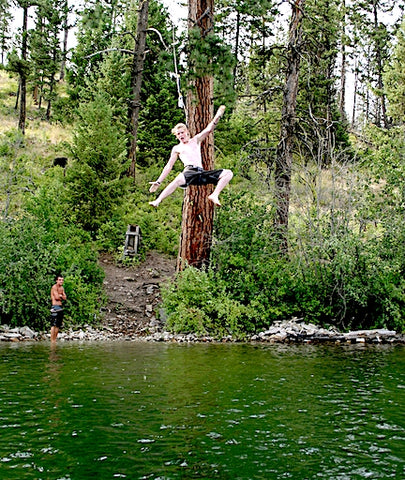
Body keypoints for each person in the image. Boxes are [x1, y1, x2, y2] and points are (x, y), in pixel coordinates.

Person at [149, 105, 233, 207]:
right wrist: (158, 181)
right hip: (189, 171)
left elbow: (208, 129)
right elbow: (168, 166)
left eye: (182, 133)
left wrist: (218, 115)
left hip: (201, 173)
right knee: (177, 180)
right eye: (178, 134)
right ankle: (158, 200)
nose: (181, 135)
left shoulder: (195, 140)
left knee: (228, 173)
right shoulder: (177, 148)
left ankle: (215, 195)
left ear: (187, 132)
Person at [50, 275, 67, 343]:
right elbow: (56, 297)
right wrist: (61, 296)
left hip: (60, 307)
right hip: (55, 307)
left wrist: (61, 296)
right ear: (56, 280)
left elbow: (65, 297)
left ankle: (55, 340)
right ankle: (52, 340)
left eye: (62, 280)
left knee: (58, 325)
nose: (61, 281)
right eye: (60, 280)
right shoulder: (54, 287)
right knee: (53, 324)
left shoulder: (62, 288)